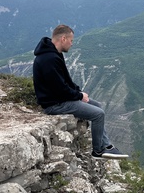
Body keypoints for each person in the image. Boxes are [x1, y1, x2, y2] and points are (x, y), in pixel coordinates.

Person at [33, 24, 128, 159]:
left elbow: (65, 80)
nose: (72, 44)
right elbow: (59, 89)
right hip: (55, 104)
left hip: (60, 99)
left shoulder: (55, 54)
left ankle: (107, 145)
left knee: (97, 105)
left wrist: (79, 93)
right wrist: (78, 96)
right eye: (71, 41)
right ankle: (98, 151)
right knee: (98, 114)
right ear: (63, 38)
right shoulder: (49, 59)